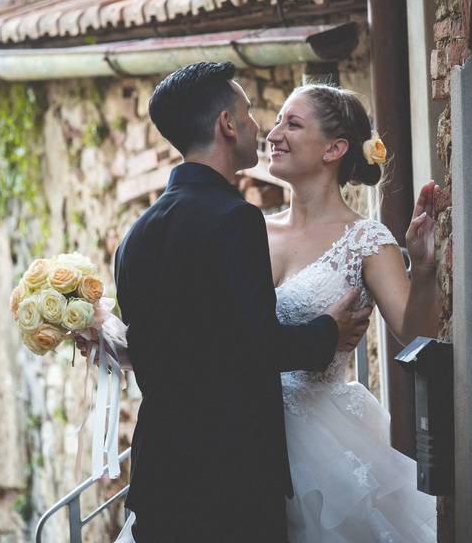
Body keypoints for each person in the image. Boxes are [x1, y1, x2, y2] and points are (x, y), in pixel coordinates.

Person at [110, 62, 373, 543]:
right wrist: (329, 333)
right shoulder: (235, 220)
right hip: (230, 484)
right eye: (249, 114)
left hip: (159, 478)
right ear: (227, 126)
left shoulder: (135, 237)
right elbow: (254, 346)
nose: (261, 127)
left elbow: (172, 347)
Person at [264, 83, 449, 542]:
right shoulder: (252, 231)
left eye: (292, 123)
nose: (273, 134)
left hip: (323, 443)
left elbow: (415, 332)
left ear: (335, 148)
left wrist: (422, 268)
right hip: (252, 429)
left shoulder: (366, 240)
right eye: (276, 121)